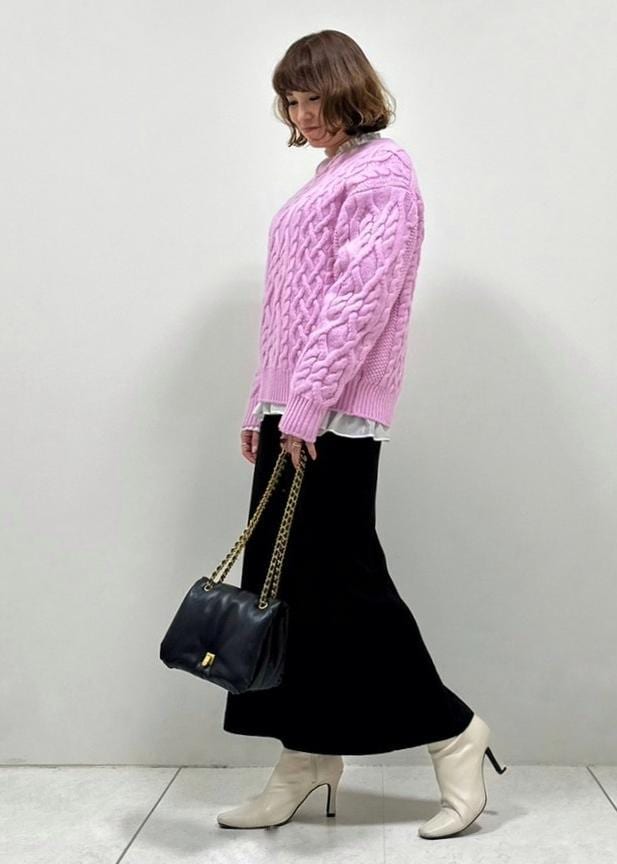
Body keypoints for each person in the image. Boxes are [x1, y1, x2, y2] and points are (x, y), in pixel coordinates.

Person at [218, 29, 507, 838]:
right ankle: (305, 756)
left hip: (330, 418)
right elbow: (288, 308)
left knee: (344, 587)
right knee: (285, 593)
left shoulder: (381, 173)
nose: (301, 116)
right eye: (290, 102)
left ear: (349, 91)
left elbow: (357, 301)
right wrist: (262, 403)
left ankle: (453, 732)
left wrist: (306, 403)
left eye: (313, 99)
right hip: (295, 414)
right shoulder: (331, 174)